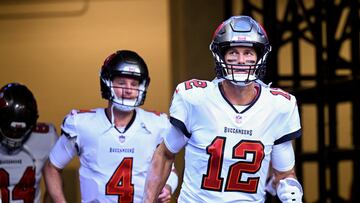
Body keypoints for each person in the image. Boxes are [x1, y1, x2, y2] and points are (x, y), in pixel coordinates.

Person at [142, 15, 303, 203]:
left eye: (249, 53)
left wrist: (290, 190)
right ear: (220, 55)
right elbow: (165, 154)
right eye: (233, 52)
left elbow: (284, 174)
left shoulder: (278, 107)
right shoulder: (195, 99)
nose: (241, 60)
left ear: (260, 56)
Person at [43, 50, 178, 203]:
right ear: (107, 82)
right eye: (121, 82)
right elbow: (51, 167)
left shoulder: (157, 125)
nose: (128, 89)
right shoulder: (82, 124)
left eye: (134, 84)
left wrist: (167, 186)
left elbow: (170, 169)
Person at [0, 82, 58, 203]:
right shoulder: (47, 137)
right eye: (10, 131)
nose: (14, 136)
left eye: (19, 131)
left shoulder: (46, 137)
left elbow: (55, 186)